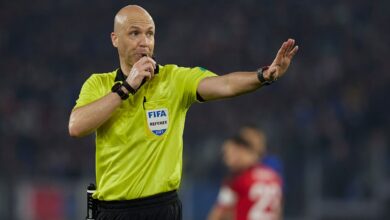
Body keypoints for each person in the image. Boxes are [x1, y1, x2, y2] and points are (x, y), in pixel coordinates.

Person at [68, 4, 298, 220]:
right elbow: (76, 126)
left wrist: (263, 76)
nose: (144, 42)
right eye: (134, 33)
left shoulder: (175, 79)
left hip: (162, 208)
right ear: (115, 39)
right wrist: (127, 88)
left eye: (149, 34)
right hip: (113, 210)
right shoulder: (98, 84)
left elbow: (225, 84)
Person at [208, 136, 283, 220]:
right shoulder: (273, 176)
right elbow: (278, 212)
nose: (226, 160)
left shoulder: (238, 178)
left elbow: (219, 213)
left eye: (228, 154)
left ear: (240, 151)